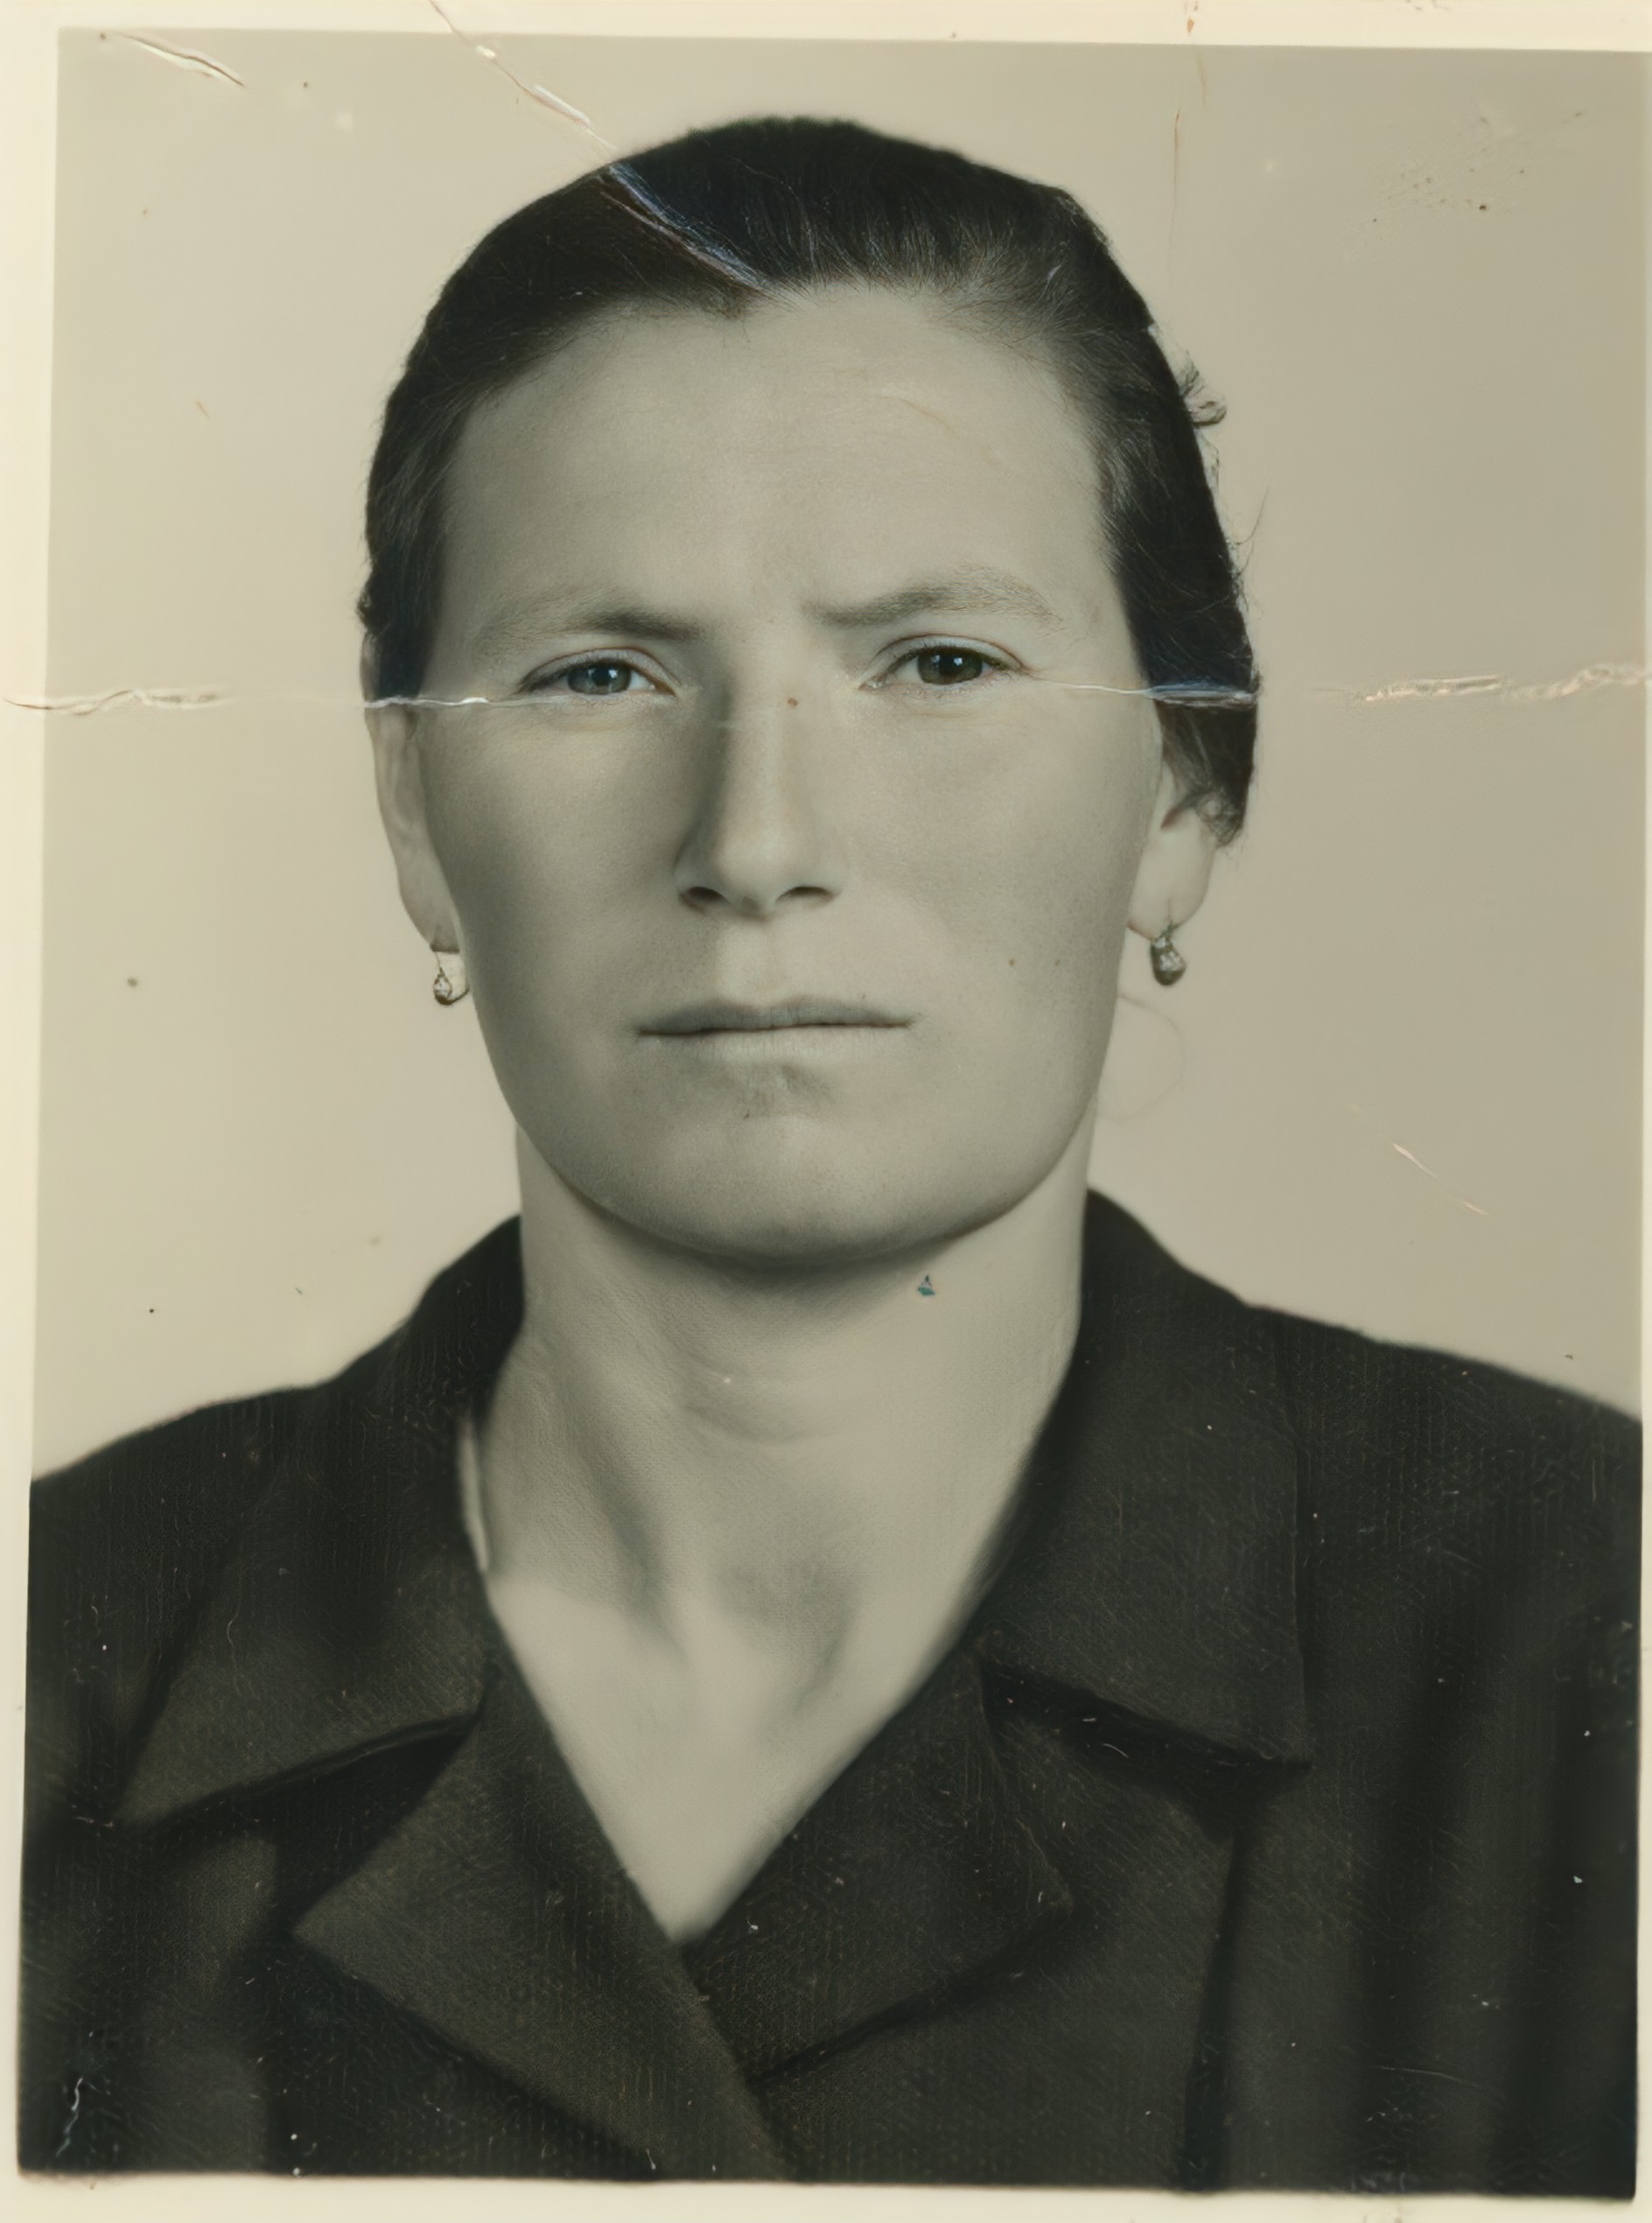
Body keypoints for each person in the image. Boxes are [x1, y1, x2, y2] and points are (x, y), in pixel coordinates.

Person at [21, 116, 1637, 2191]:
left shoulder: (1587, 1629)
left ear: (1178, 782)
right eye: (600, 673)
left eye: (937, 664)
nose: (757, 842)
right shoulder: (51, 1646)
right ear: (414, 808)